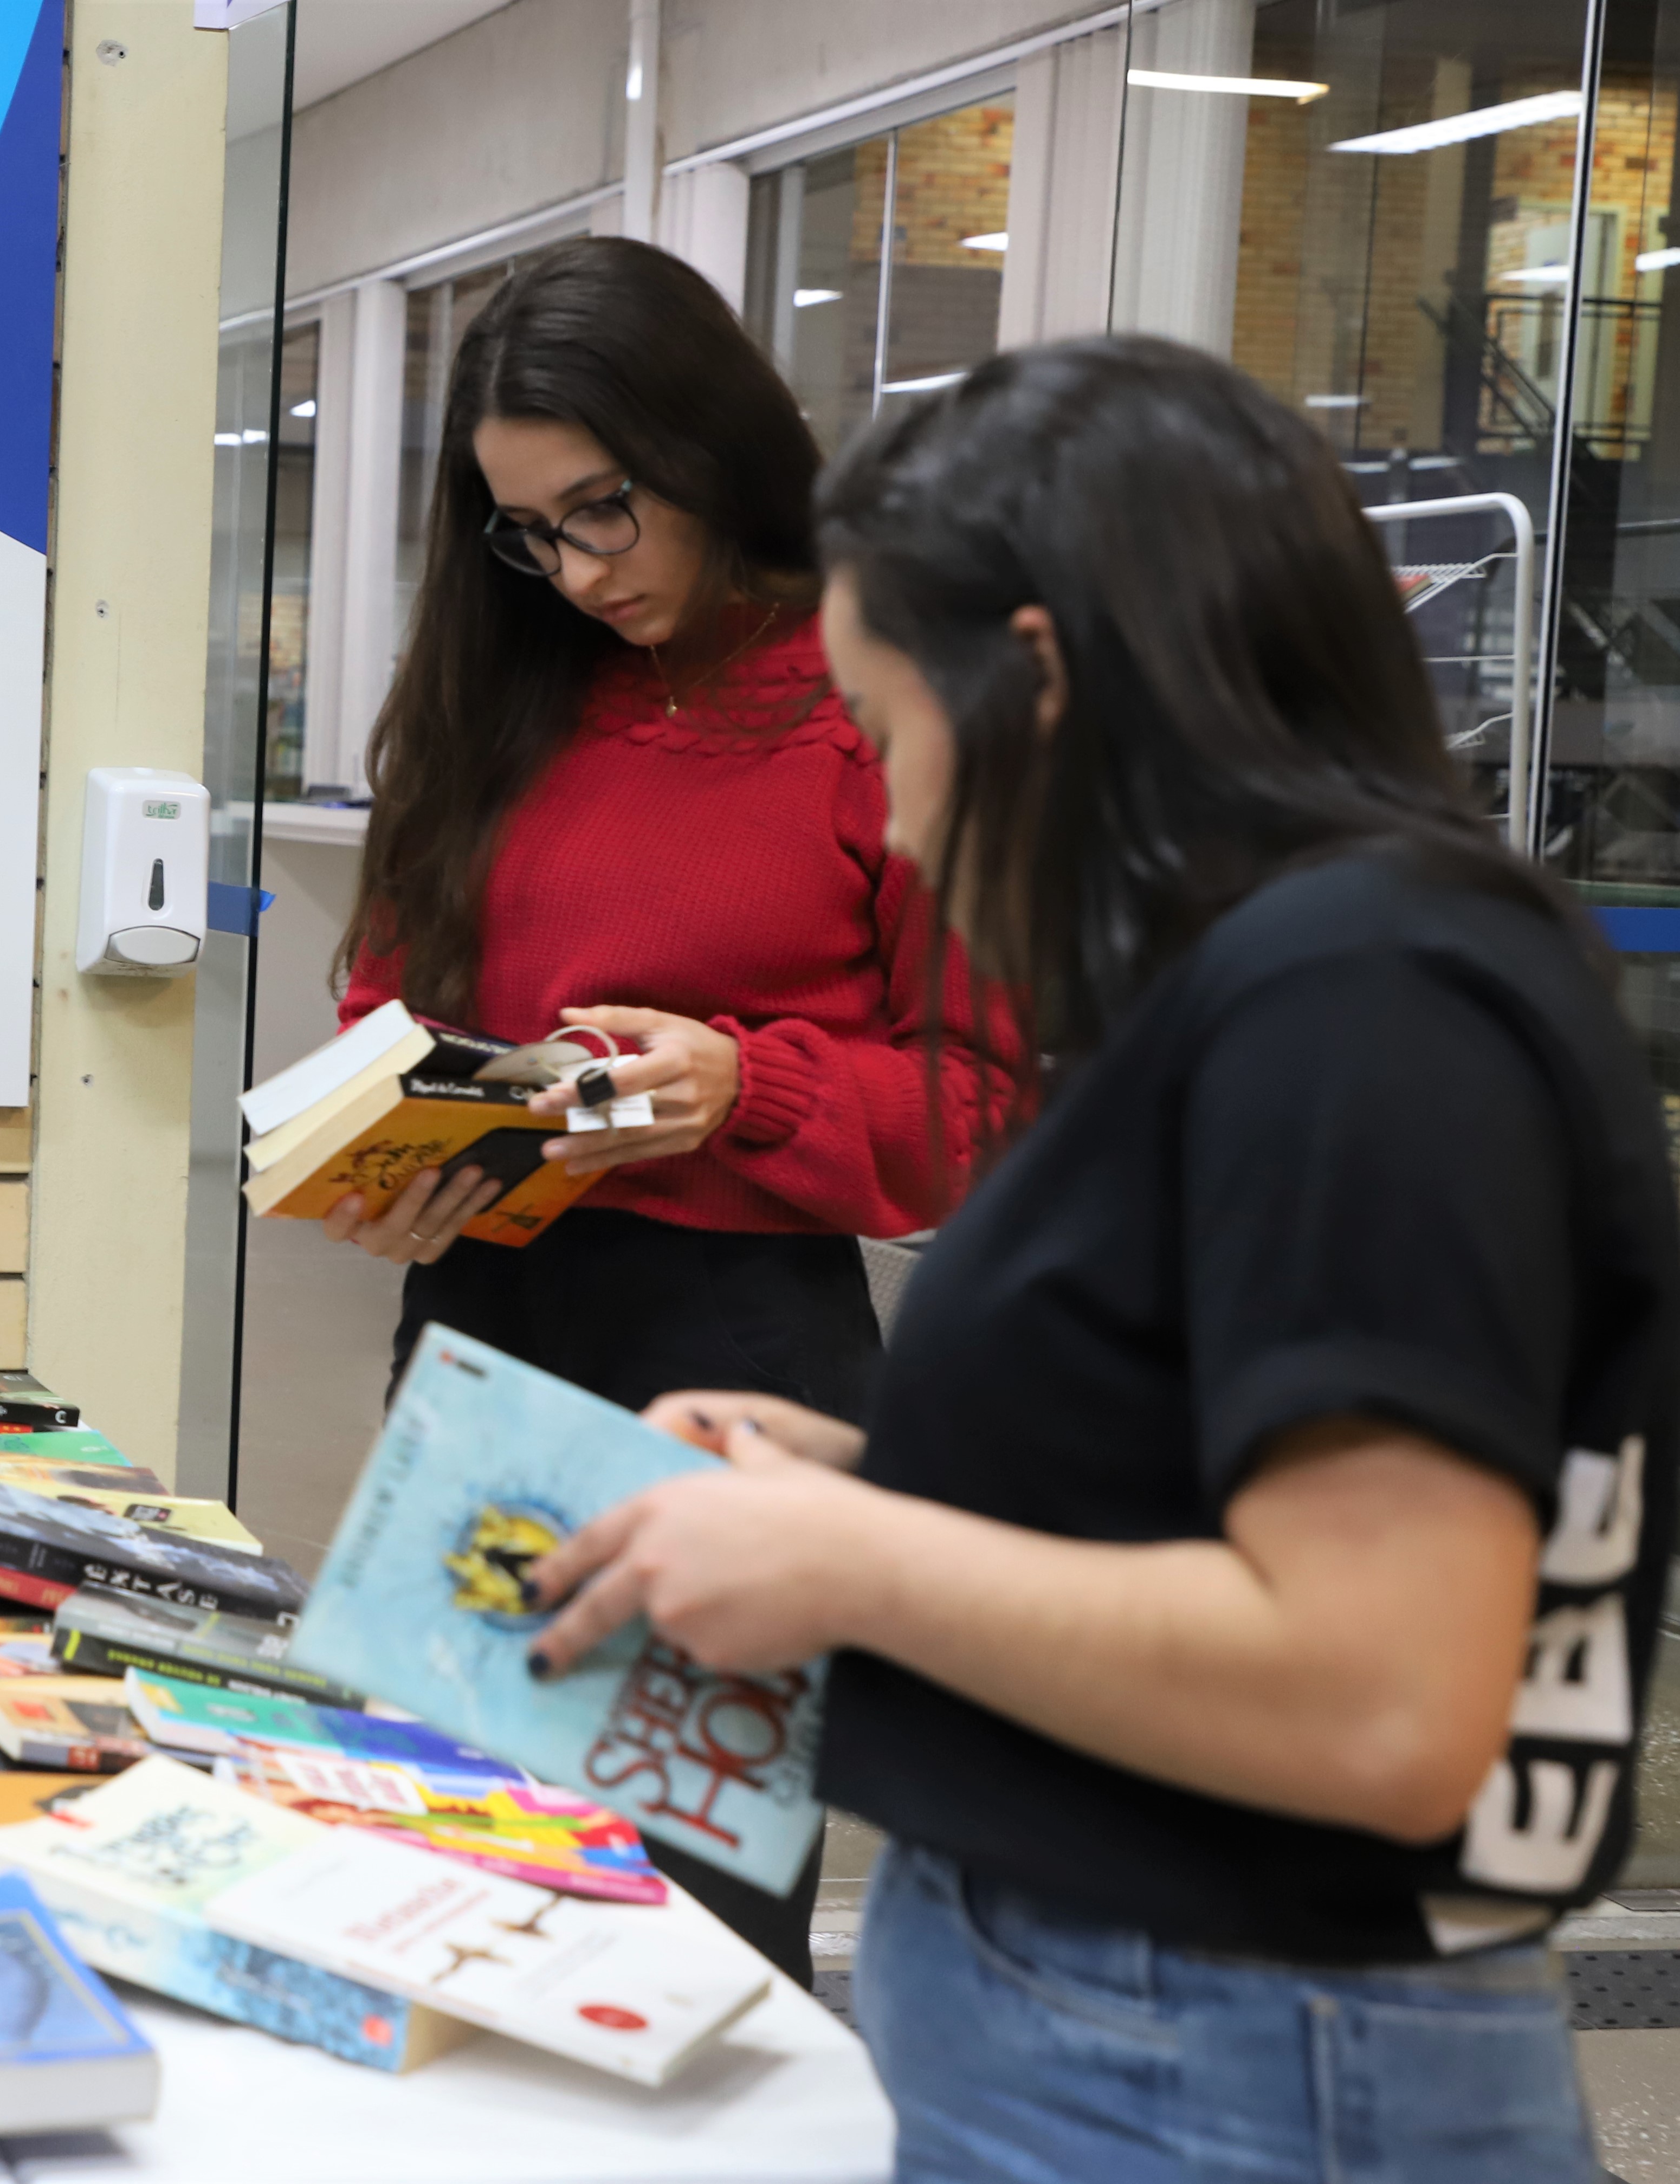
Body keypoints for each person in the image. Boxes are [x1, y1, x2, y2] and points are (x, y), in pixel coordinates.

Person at [524, 337, 1677, 2180]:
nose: (895, 815)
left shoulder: (1360, 1005)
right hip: (1153, 2022)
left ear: (1039, 679)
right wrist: (893, 1486)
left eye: (896, 736)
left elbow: (1388, 1700)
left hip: (1226, 2050)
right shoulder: (1271, 986)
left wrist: (858, 1555)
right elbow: (1230, 1492)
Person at [320, 234, 1016, 1974]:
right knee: (445, 1899)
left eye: (603, 509)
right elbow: (384, 1006)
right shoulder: (500, 692)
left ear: (707, 446)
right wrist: (384, 1153)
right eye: (527, 528)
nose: (570, 569)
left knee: (675, 1940)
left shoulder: (873, 705)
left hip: (729, 1373)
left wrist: (748, 1087)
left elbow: (991, 1099)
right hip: (477, 1337)